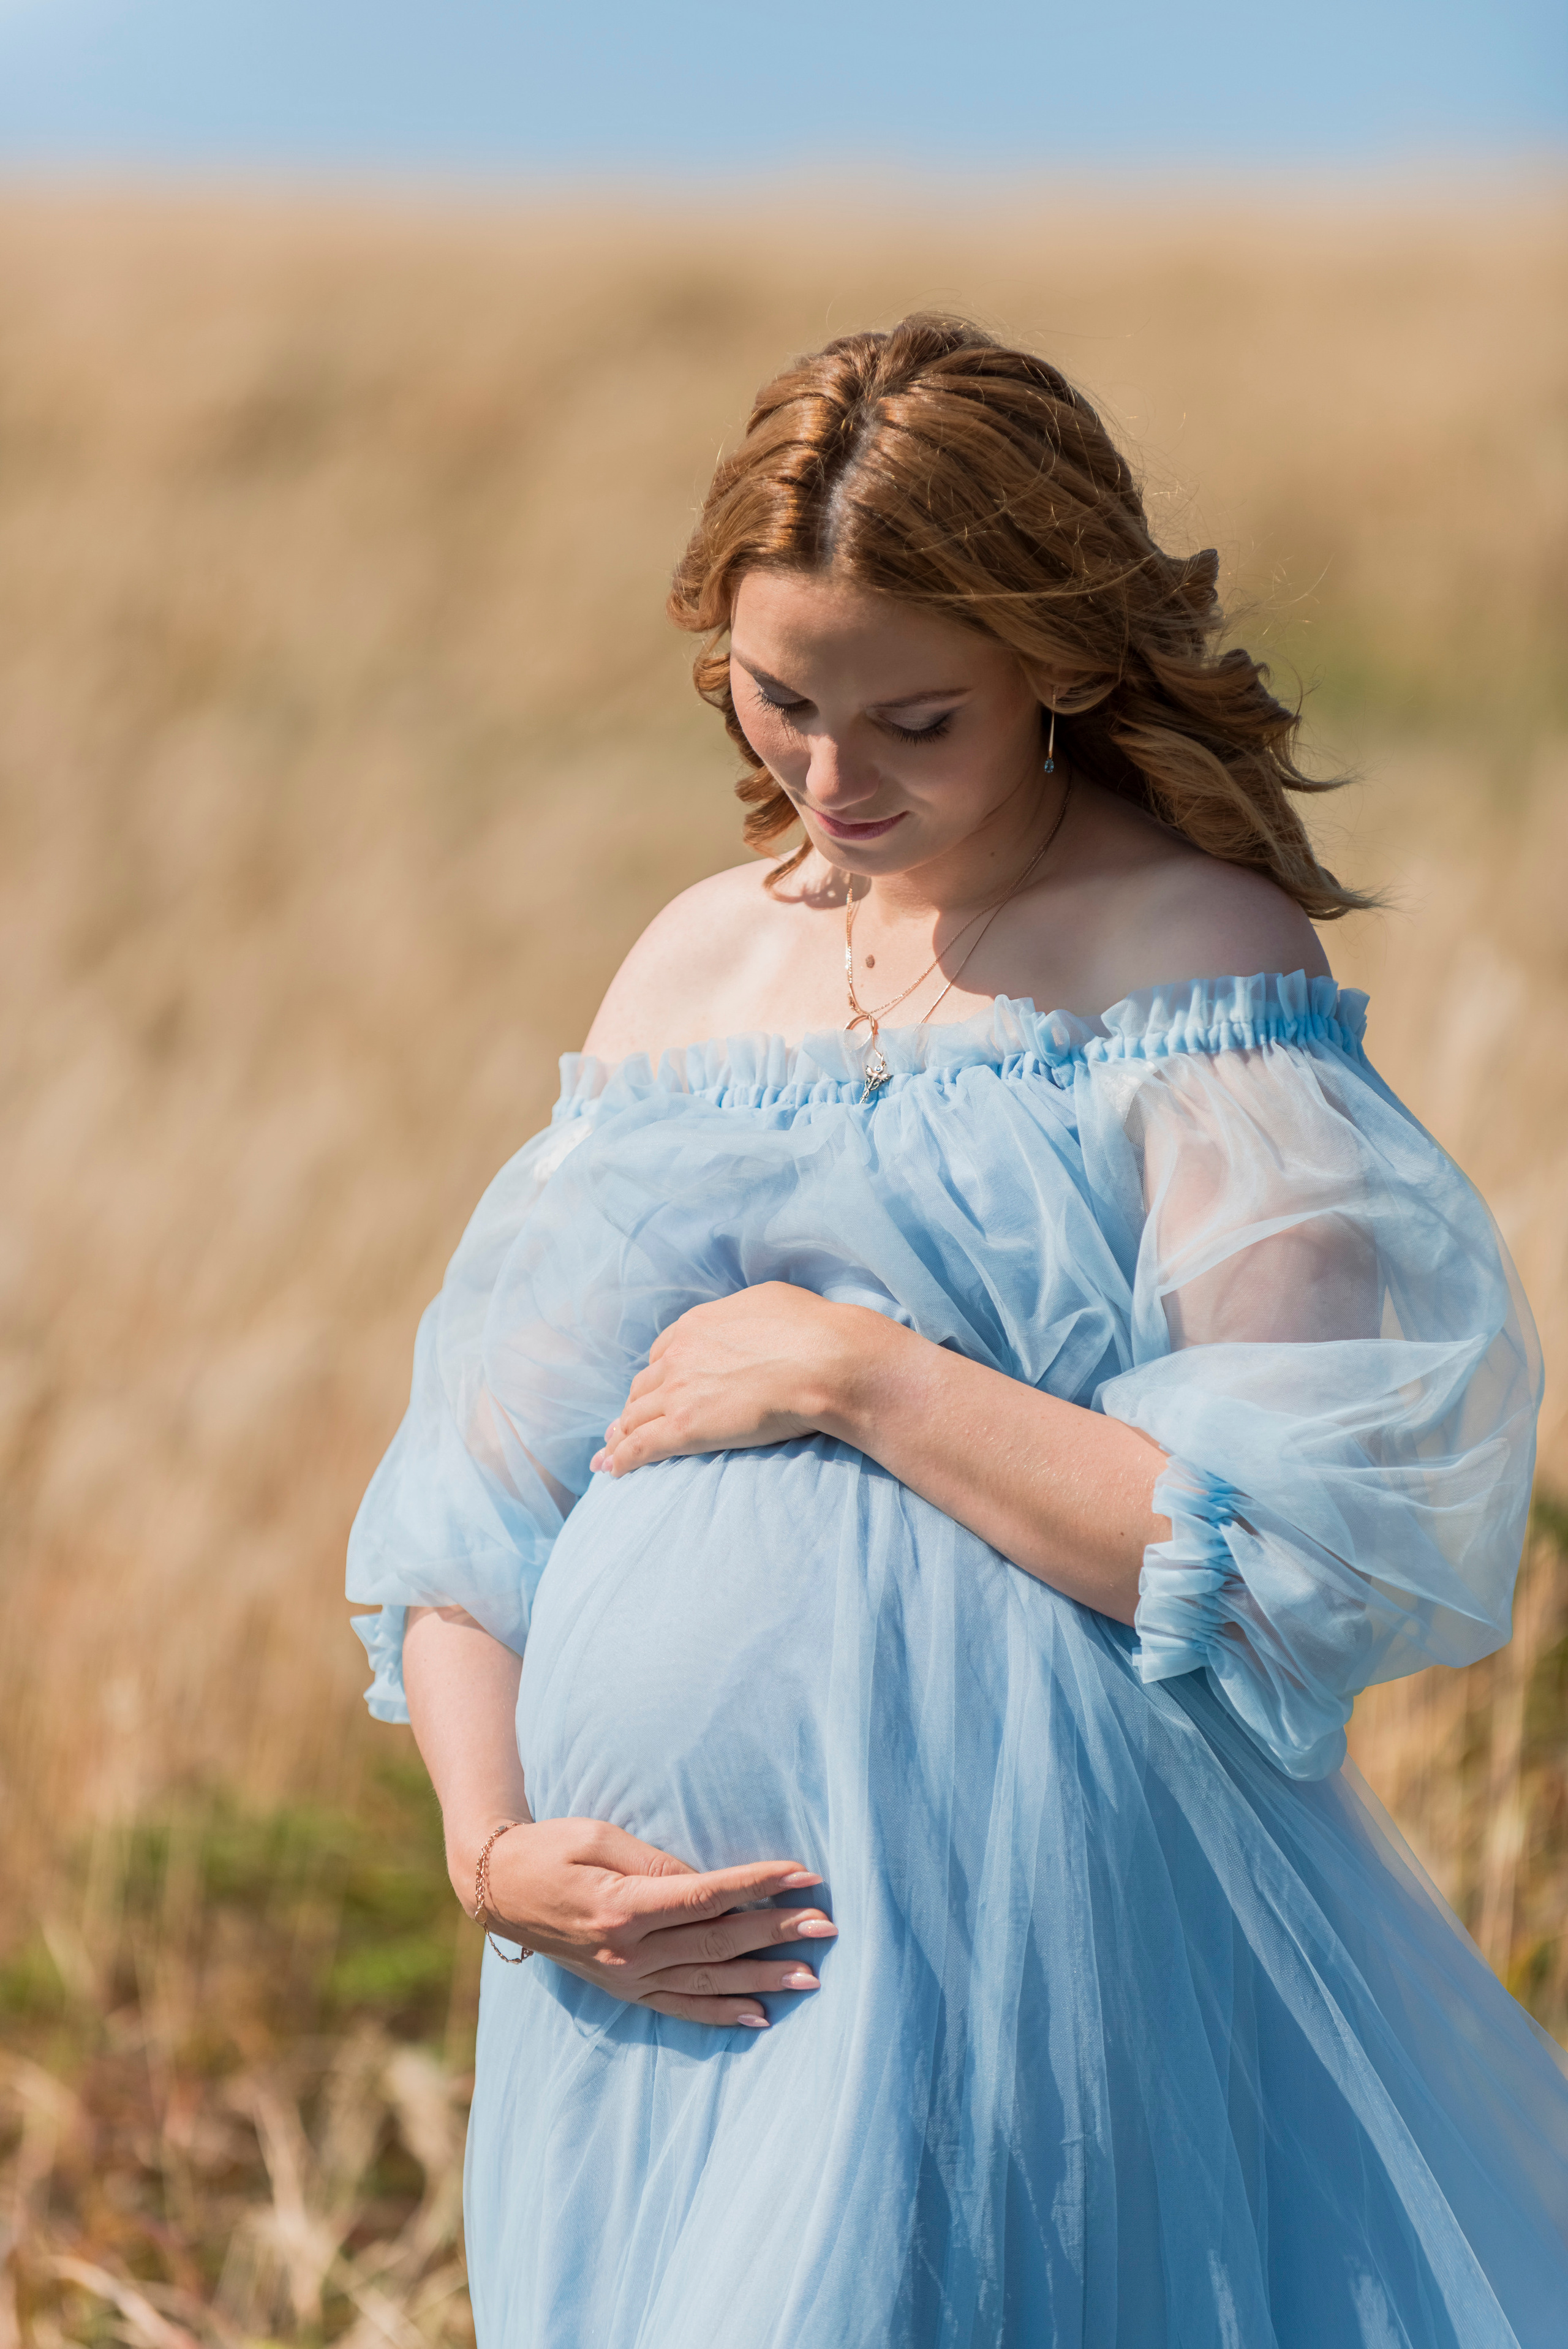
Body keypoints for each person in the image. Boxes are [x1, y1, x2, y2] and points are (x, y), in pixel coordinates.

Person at [347, 316, 1568, 2345]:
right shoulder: (692, 964)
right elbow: (486, 1490)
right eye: (783, 701)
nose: (833, 780)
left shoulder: (1189, 959)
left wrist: (866, 1377)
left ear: (1058, 665)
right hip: (651, 1969)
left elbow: (1283, 1556)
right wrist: (493, 1849)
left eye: (915, 720)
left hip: (1014, 1934)